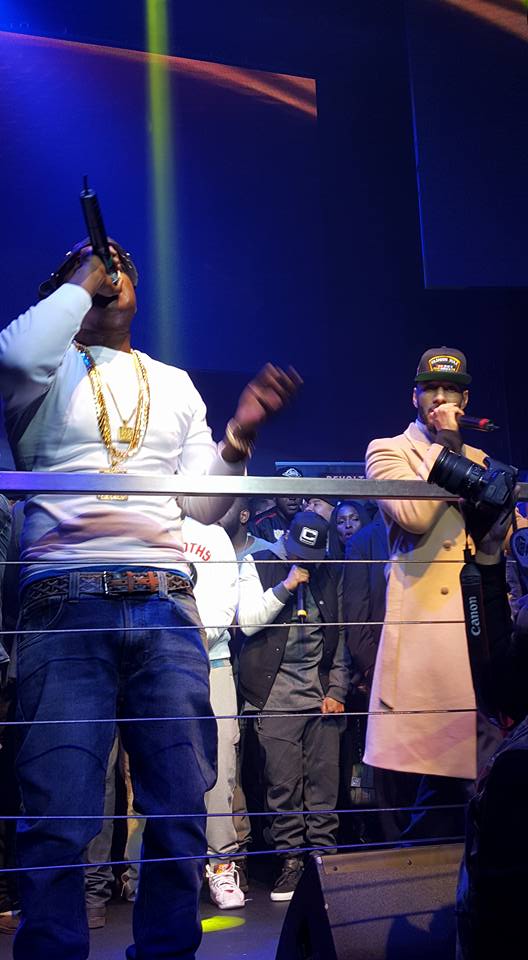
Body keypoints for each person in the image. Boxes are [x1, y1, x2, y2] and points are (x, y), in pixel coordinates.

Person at [0, 237, 300, 960]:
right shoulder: (42, 365)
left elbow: (203, 506)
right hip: (66, 598)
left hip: (166, 600)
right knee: (59, 811)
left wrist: (238, 436)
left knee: (178, 805)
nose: (110, 272)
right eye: (92, 264)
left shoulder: (175, 383)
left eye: (119, 265)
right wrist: (83, 280)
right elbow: (14, 355)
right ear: (69, 287)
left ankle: (166, 952)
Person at [363, 347, 502, 837]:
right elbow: (416, 516)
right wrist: (446, 444)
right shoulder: (387, 450)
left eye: (451, 390)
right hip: (427, 637)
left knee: (478, 784)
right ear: (414, 396)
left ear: (466, 400)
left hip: (477, 629)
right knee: (441, 782)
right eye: (431, 389)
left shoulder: (480, 459)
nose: (440, 398)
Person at [237, 510, 349, 901]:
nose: (305, 562)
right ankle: (291, 861)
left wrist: (337, 689)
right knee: (282, 787)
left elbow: (341, 637)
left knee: (324, 785)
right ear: (286, 541)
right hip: (274, 698)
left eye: (312, 556)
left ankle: (324, 860)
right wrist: (286, 586)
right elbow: (248, 622)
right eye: (299, 553)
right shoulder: (258, 564)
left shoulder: (329, 573)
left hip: (319, 697)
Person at [248, 466, 304, 543]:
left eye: (297, 491)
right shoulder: (259, 525)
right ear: (275, 494)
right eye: (286, 491)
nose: (292, 497)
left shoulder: (311, 523)